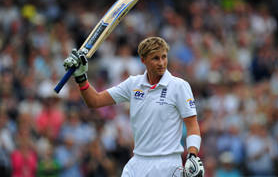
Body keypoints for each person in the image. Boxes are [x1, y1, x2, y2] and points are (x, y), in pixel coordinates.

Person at [63, 36, 204, 177]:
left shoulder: (179, 86)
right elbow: (95, 101)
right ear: (143, 60)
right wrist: (81, 77)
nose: (161, 63)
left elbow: (192, 125)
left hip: (167, 164)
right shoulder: (133, 84)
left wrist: (192, 155)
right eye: (155, 58)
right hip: (137, 163)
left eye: (164, 57)